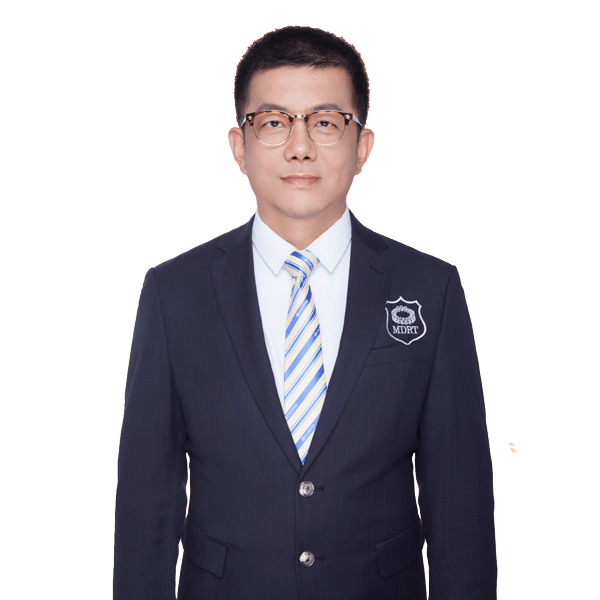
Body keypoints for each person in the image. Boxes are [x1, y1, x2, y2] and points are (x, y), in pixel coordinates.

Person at [113, 26, 497, 600]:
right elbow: (147, 503)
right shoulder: (173, 293)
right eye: (273, 122)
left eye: (325, 122)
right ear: (238, 145)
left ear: (362, 145)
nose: (300, 147)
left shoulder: (430, 287)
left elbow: (460, 502)